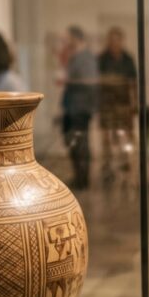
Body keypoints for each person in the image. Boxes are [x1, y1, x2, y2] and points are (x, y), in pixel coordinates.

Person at [96, 26, 137, 186]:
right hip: (106, 105)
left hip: (123, 104)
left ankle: (124, 164)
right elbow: (97, 82)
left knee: (124, 136)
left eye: (117, 40)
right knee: (106, 138)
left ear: (121, 41)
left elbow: (133, 83)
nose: (114, 43)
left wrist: (134, 104)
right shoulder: (102, 59)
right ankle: (107, 167)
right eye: (111, 40)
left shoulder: (128, 59)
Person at [60, 25, 99, 190]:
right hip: (73, 106)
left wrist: (68, 81)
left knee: (80, 143)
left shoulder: (86, 57)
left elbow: (90, 81)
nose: (65, 41)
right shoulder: (76, 56)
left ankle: (82, 179)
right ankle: (79, 177)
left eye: (67, 38)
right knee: (74, 142)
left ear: (75, 38)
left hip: (81, 107)